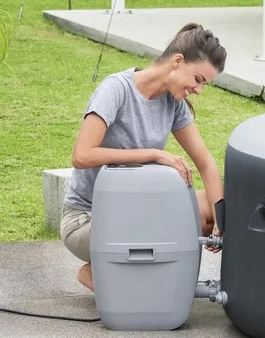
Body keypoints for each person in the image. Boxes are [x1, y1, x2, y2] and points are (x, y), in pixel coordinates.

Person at [59, 23, 227, 292]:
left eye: (204, 84)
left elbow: (205, 163)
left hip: (137, 209)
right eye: (198, 79)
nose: (198, 89)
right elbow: (82, 155)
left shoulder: (173, 103)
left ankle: (134, 277)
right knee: (182, 219)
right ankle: (101, 273)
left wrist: (221, 222)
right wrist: (154, 154)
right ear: (177, 62)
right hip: (89, 219)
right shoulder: (116, 89)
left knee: (210, 206)